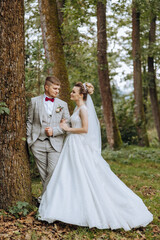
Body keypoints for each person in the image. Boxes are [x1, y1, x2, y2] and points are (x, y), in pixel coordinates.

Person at [38, 82, 153, 231]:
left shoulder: (84, 109)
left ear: (81, 95)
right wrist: (64, 124)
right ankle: (66, 208)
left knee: (83, 175)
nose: (71, 93)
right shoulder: (78, 108)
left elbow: (85, 129)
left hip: (78, 145)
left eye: (74, 92)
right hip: (72, 144)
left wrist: (68, 128)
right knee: (69, 176)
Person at [27, 76, 70, 196]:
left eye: (58, 89)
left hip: (55, 143)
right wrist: (30, 140)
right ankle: (48, 203)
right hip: (37, 143)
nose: (57, 91)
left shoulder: (62, 104)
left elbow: (68, 124)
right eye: (55, 88)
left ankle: (43, 199)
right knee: (43, 174)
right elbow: (29, 121)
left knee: (53, 172)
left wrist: (55, 130)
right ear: (46, 87)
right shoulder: (34, 101)